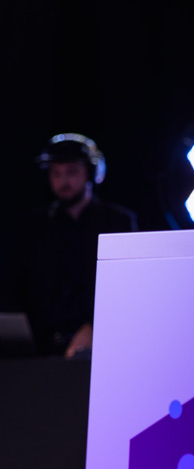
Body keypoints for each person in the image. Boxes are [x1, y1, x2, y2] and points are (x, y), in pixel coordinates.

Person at [2, 134, 138, 358]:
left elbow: (128, 285)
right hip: (40, 348)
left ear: (91, 173)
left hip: (102, 342)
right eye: (56, 173)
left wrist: (95, 325)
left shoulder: (117, 222)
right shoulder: (31, 226)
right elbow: (16, 287)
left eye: (71, 172)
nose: (63, 181)